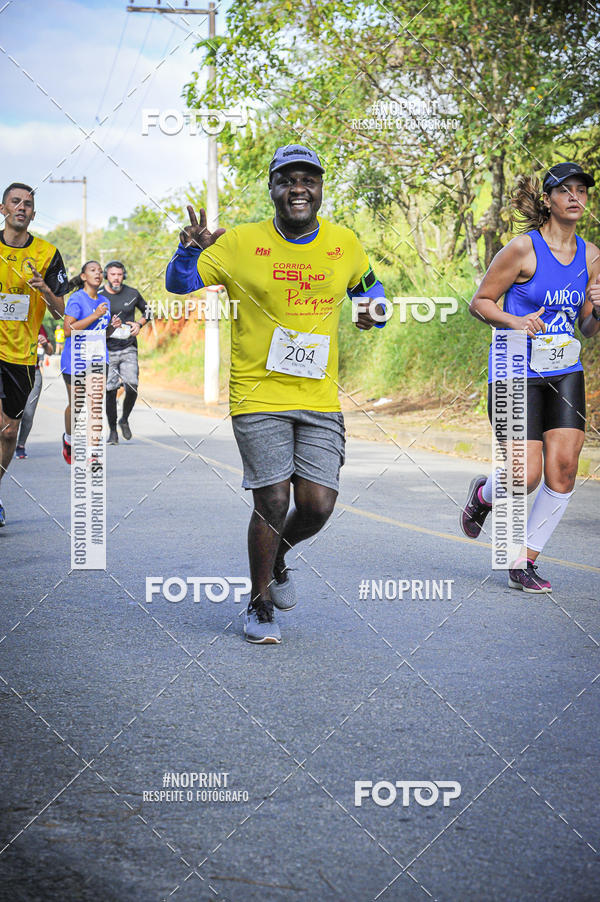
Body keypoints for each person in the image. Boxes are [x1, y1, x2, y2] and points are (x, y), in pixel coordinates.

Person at [166, 144, 386, 644]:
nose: (298, 188)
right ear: (272, 189)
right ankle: (259, 604)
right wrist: (189, 250)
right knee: (272, 496)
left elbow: (371, 293)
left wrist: (375, 311)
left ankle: (279, 557)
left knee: (318, 503)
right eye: (287, 180)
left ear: (321, 188)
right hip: (258, 393)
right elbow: (179, 285)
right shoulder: (241, 242)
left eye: (308, 179)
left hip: (319, 396)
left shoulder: (344, 242)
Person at [460, 162, 600, 592]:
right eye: (566, 190)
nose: (576, 197)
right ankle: (484, 494)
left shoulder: (592, 255)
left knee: (563, 470)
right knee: (525, 476)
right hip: (514, 368)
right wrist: (513, 322)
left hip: (565, 370)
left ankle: (524, 561)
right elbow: (480, 302)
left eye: (582, 190)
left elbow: (588, 326)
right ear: (548, 200)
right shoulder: (523, 249)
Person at [0, 182, 68, 527]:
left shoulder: (46, 253)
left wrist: (45, 290)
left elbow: (61, 312)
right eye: (15, 202)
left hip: (21, 355)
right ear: (3, 209)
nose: (21, 207)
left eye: (27, 204)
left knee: (9, 432)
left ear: (33, 214)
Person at [60, 261, 121, 465]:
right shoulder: (76, 299)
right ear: (84, 276)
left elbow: (103, 334)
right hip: (75, 359)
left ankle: (93, 454)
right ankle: (68, 440)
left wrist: (112, 327)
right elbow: (68, 330)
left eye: (100, 271)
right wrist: (95, 315)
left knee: (95, 406)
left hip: (97, 358)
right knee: (76, 408)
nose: (98, 273)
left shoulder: (105, 301)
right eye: (93, 270)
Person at [99, 260, 151, 444]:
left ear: (123, 275)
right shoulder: (99, 295)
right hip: (106, 349)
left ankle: (124, 419)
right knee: (110, 391)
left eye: (119, 274)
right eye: (112, 274)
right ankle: (112, 431)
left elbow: (149, 311)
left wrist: (139, 324)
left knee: (132, 385)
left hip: (128, 346)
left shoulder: (132, 293)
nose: (116, 278)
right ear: (107, 275)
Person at [15, 326, 53, 458]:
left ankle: (20, 445)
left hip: (33, 372)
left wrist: (44, 343)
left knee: (28, 413)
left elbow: (50, 351)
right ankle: (7, 442)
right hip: (10, 371)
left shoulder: (37, 324)